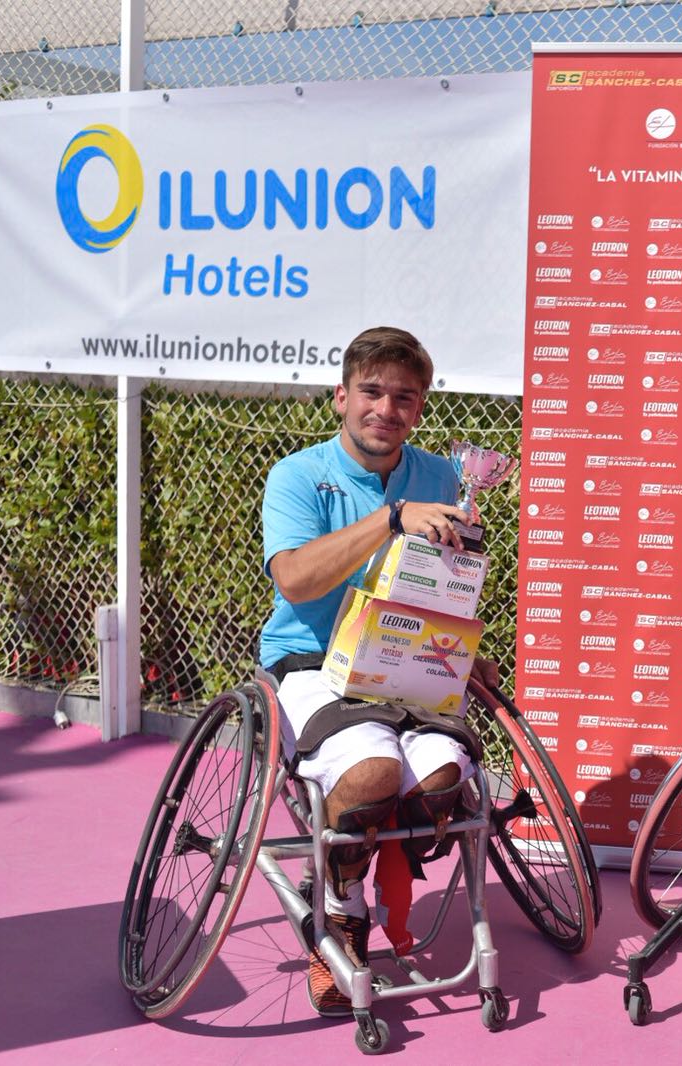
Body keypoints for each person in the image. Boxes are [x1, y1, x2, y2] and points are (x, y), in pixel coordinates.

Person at [260, 325, 499, 1017]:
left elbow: (443, 579)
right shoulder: (298, 476)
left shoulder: (445, 474)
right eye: (371, 392)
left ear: (419, 409)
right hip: (312, 663)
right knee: (369, 777)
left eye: (403, 397)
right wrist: (390, 519)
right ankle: (340, 911)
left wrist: (460, 645)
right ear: (340, 397)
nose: (385, 409)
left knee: (442, 780)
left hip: (410, 656)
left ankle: (361, 860)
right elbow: (298, 581)